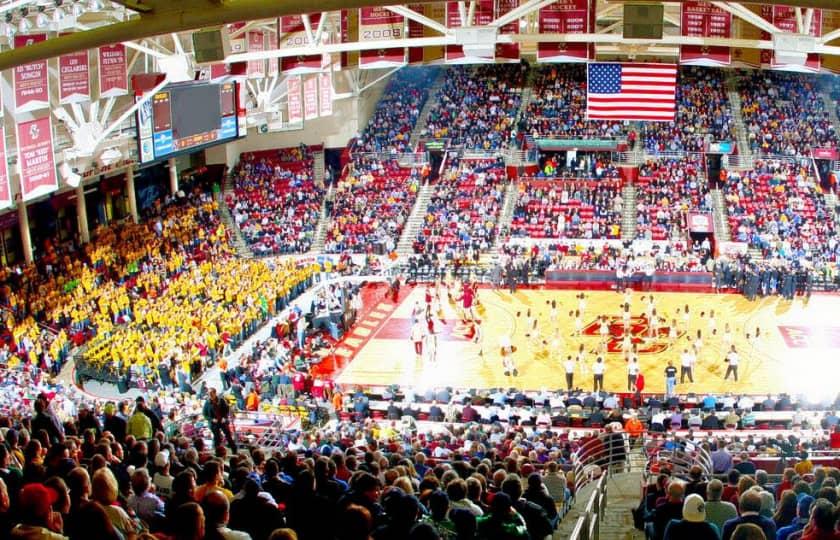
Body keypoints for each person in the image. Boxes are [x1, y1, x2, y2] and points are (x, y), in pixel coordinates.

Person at [203, 388, 237, 452]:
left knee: (228, 436)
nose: (210, 396)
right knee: (217, 438)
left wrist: (224, 417)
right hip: (214, 424)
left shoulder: (221, 400)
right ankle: (218, 452)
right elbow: (205, 414)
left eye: (211, 394)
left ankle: (234, 450)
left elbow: (226, 409)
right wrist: (212, 419)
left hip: (222, 421)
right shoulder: (207, 403)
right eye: (209, 395)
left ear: (215, 393)